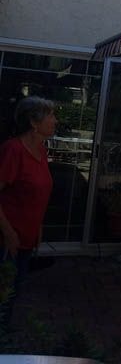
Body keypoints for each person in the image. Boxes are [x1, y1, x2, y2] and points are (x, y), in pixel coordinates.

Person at [0, 97, 56, 325]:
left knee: (13, 292)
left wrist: (38, 225)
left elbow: (36, 194)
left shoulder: (41, 151)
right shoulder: (13, 150)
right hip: (6, 241)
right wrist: (8, 232)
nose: (55, 120)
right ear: (34, 122)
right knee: (3, 294)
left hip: (27, 238)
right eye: (50, 115)